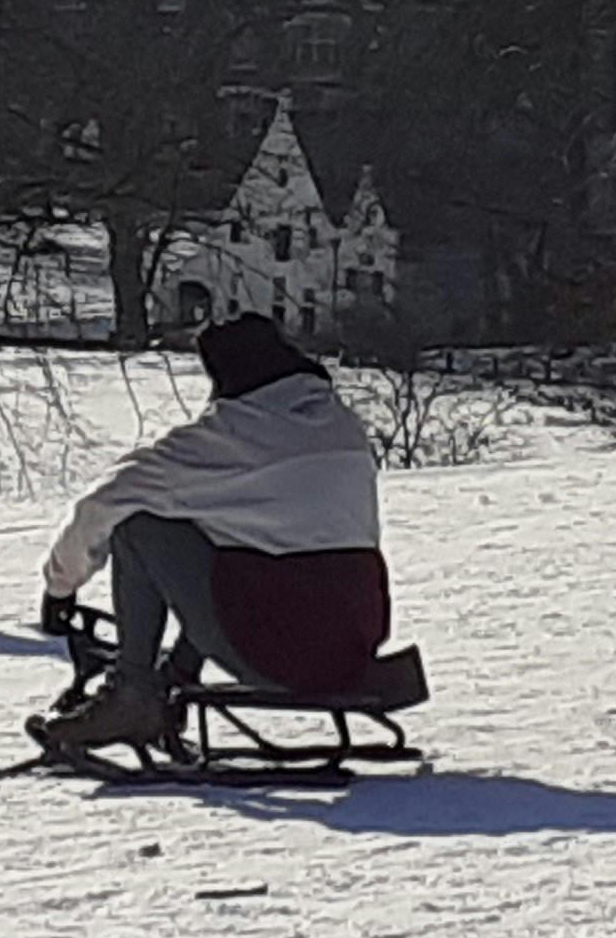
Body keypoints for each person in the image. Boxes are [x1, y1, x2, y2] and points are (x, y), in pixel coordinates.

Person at [32, 314, 390, 754]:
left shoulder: (228, 438)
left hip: (279, 651)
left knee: (138, 526)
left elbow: (102, 504)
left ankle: (134, 695)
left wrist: (61, 587)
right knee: (233, 538)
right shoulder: (344, 429)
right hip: (354, 639)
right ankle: (174, 678)